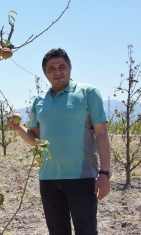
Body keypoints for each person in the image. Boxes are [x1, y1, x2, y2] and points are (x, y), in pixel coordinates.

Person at [7, 48, 111, 235]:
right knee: (57, 231)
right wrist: (18, 128)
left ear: (70, 68)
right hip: (49, 179)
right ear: (45, 73)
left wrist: (104, 173)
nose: (57, 72)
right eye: (51, 68)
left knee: (86, 231)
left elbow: (102, 134)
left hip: (81, 177)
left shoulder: (88, 93)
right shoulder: (40, 100)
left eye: (62, 66)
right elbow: (35, 139)